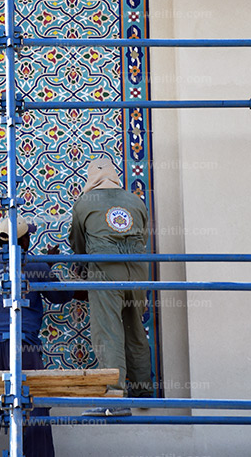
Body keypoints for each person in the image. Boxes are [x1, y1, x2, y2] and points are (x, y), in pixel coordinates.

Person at [0, 214, 74, 457]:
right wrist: (51, 267)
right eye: (28, 237)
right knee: (33, 406)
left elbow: (17, 275)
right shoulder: (34, 265)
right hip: (23, 346)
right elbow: (59, 296)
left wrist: (42, 266)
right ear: (24, 241)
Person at [69, 156, 153, 414]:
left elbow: (78, 244)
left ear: (91, 178)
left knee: (109, 332)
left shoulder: (84, 203)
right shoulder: (135, 201)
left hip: (105, 271)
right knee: (135, 328)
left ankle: (115, 396)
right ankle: (143, 389)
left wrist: (84, 270)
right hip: (138, 272)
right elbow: (144, 236)